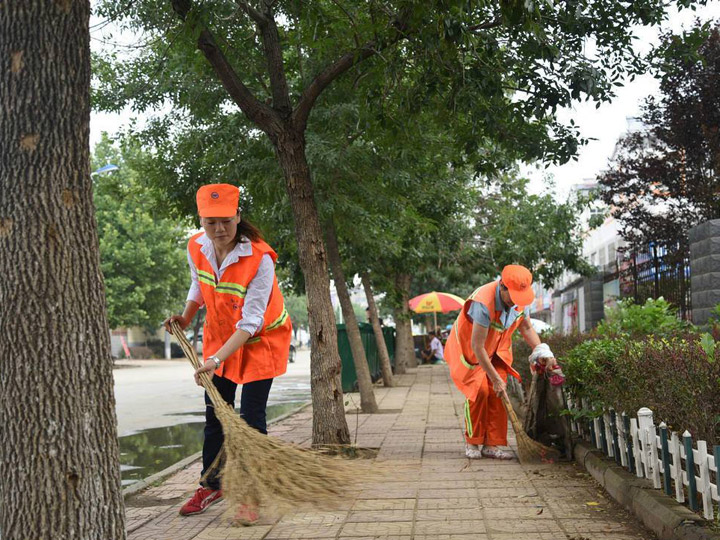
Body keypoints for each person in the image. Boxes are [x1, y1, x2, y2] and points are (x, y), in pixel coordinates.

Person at [164, 183, 292, 523]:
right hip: (221, 337)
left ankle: (250, 493)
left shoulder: (260, 259)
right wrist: (187, 315)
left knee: (251, 420)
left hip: (260, 340)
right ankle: (211, 484)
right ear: (201, 220)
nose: (219, 230)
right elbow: (199, 282)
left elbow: (251, 322)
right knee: (216, 415)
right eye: (211, 222)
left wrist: (214, 360)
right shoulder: (196, 246)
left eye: (226, 221)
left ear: (238, 216)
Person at [444, 265, 556, 460]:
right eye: (512, 296)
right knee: (480, 391)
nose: (515, 302)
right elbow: (478, 346)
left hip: (498, 350)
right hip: (472, 350)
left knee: (498, 393)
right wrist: (494, 378)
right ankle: (473, 441)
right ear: (502, 287)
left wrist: (541, 350)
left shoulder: (520, 300)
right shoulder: (482, 302)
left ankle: (491, 445)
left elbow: (527, 327)